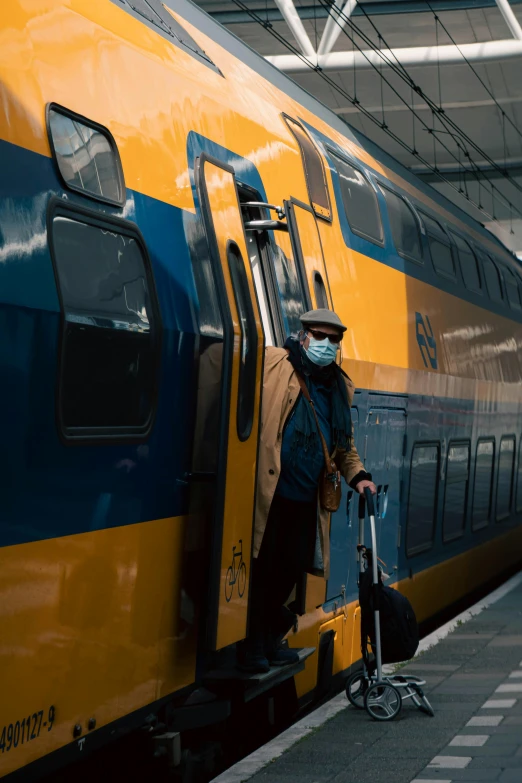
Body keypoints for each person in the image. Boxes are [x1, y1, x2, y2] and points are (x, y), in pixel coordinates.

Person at [238, 309, 377, 673]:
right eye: (321, 336)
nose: (327, 345)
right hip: (271, 493)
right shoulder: (275, 365)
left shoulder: (336, 387)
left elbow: (343, 446)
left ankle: (268, 638)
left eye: (335, 340)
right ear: (304, 336)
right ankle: (254, 645)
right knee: (264, 567)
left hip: (306, 498)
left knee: (291, 569)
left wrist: (359, 476)